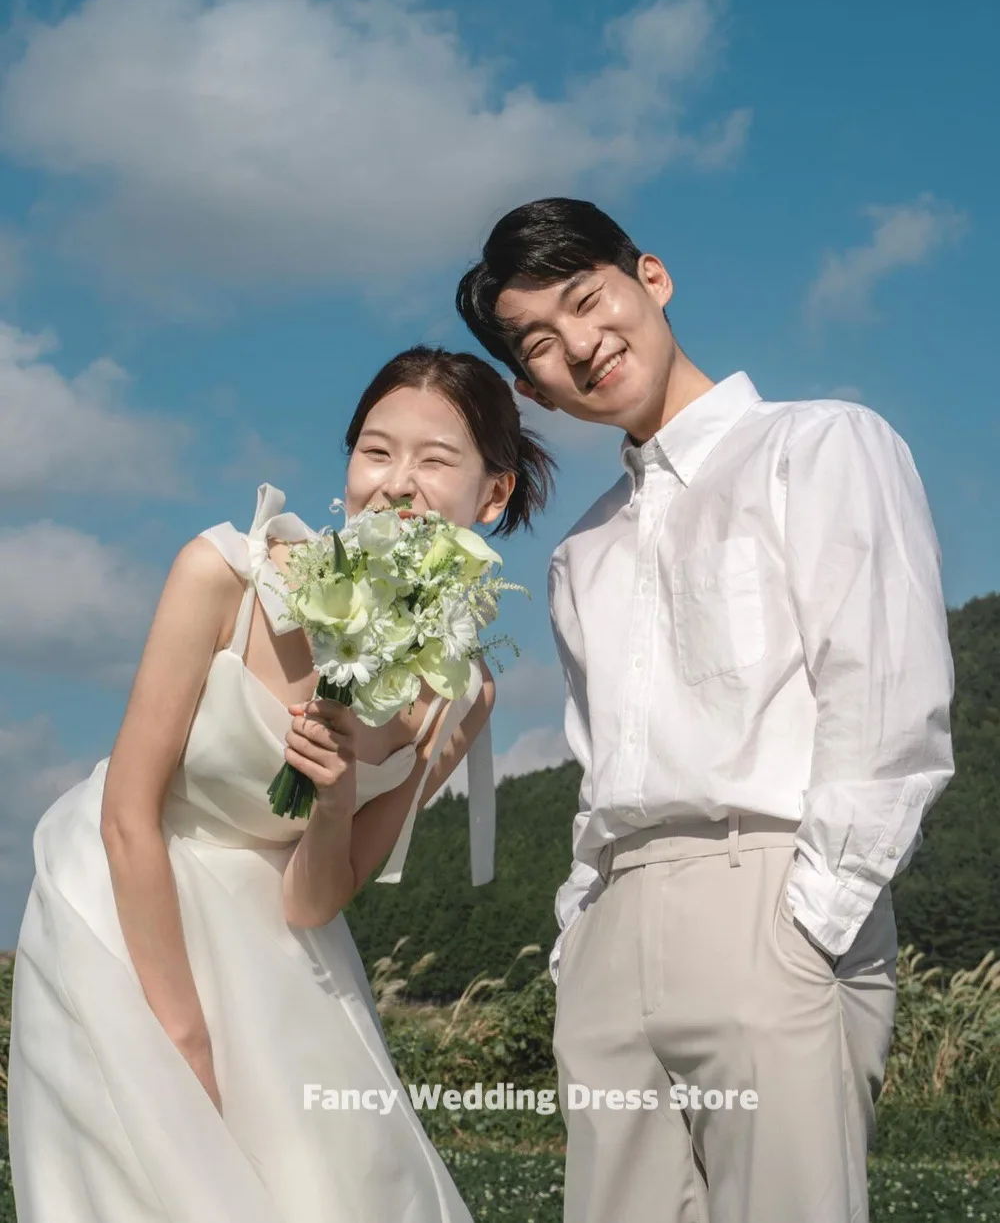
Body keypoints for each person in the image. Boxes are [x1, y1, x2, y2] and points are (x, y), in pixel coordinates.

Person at [455, 198, 955, 1223]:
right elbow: (601, 770)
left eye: (589, 300)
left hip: (769, 894)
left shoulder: (818, 445)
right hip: (613, 929)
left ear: (651, 276)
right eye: (541, 341)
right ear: (526, 384)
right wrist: (577, 936)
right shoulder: (577, 553)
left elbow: (885, 692)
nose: (582, 345)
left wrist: (813, 918)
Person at [7, 345, 555, 1223]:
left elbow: (314, 901)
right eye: (376, 451)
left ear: (493, 494)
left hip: (275, 925)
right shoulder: (221, 574)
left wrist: (335, 796)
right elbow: (126, 816)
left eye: (436, 459)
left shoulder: (461, 694)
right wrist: (181, 1036)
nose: (397, 483)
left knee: (337, 1184)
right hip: (122, 900)